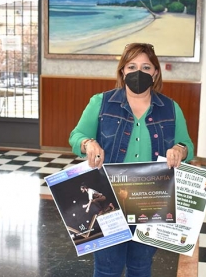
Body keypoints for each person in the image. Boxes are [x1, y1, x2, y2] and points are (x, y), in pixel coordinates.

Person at [69, 43, 194, 277]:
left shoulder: (170, 108)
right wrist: (88, 143)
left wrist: (180, 149)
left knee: (140, 266)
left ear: (155, 72)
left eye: (146, 67)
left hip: (152, 200)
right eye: (132, 66)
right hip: (109, 199)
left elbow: (188, 145)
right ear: (123, 71)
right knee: (107, 269)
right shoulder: (101, 103)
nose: (139, 72)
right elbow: (75, 136)